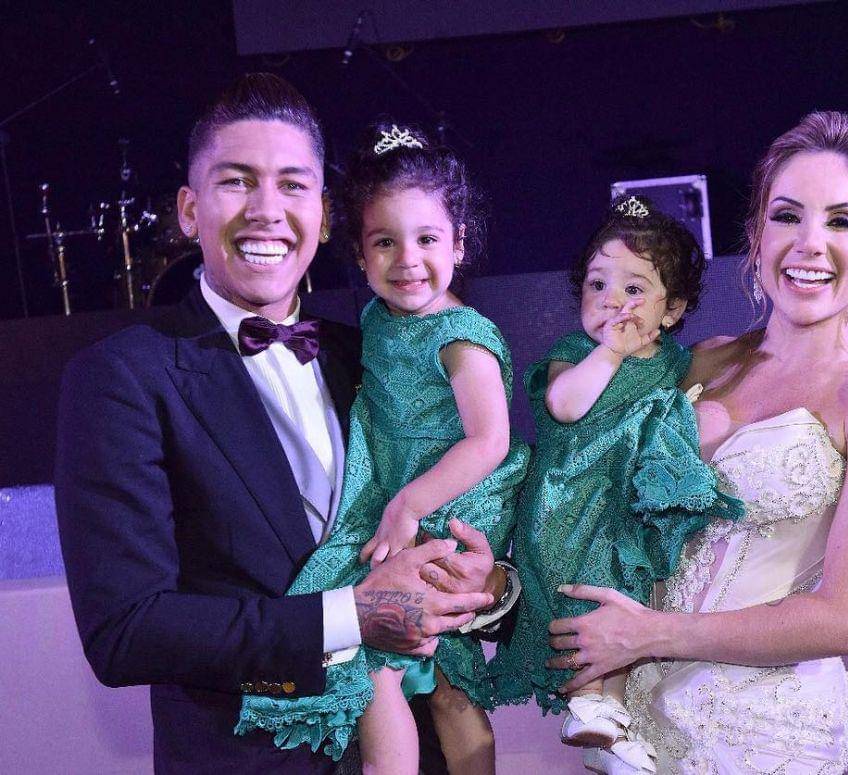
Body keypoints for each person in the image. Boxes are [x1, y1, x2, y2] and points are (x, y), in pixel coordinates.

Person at [54, 74, 513, 774]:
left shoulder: (377, 353)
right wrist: (351, 615)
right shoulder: (122, 377)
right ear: (189, 210)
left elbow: (478, 505)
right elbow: (126, 629)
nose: (267, 210)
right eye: (237, 181)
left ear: (325, 217)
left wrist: (487, 586)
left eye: (293, 185)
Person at [545, 111, 848, 774]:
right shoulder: (701, 361)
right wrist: (499, 581)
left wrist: (651, 633)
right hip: (633, 730)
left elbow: (846, 618)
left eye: (841, 221)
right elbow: (597, 498)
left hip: (763, 738)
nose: (810, 244)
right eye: (787, 216)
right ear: (754, 236)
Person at [237, 122, 529, 775]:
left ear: (458, 241)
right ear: (360, 254)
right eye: (385, 242)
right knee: (430, 674)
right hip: (398, 498)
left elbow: (490, 439)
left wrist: (408, 504)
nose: (407, 260)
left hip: (449, 502)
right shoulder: (373, 321)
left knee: (392, 669)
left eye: (427, 239)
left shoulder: (462, 336)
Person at [488, 195, 741, 774]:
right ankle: (587, 703)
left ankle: (610, 720)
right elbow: (565, 405)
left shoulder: (675, 363)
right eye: (597, 285)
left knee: (631, 598)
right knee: (590, 595)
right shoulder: (575, 353)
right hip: (571, 507)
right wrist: (608, 351)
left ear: (671, 310)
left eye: (633, 289)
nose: (612, 300)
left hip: (625, 509)